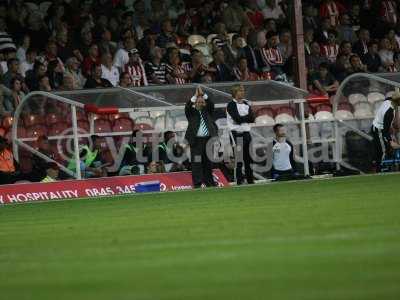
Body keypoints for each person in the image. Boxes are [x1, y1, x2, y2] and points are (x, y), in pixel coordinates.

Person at [185, 86, 217, 188]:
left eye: (202, 102)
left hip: (208, 140)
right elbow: (187, 106)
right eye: (198, 102)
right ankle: (197, 183)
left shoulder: (207, 111)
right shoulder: (191, 113)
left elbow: (211, 104)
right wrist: (195, 96)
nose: (200, 103)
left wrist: (204, 95)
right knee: (197, 163)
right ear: (195, 103)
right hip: (196, 142)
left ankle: (209, 183)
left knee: (208, 162)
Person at [227, 84, 255, 185]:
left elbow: (252, 118)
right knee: (239, 159)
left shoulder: (247, 104)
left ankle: (250, 180)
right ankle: (239, 181)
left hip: (247, 133)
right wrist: (246, 117)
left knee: (249, 159)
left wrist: (244, 118)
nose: (243, 92)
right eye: (240, 90)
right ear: (235, 93)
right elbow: (237, 119)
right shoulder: (231, 105)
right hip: (236, 134)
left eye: (243, 90)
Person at [371, 90, 400, 172]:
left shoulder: (388, 100)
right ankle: (378, 170)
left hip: (377, 127)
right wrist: (391, 141)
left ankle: (378, 168)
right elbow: (385, 130)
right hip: (379, 129)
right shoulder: (389, 112)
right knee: (382, 151)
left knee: (381, 150)